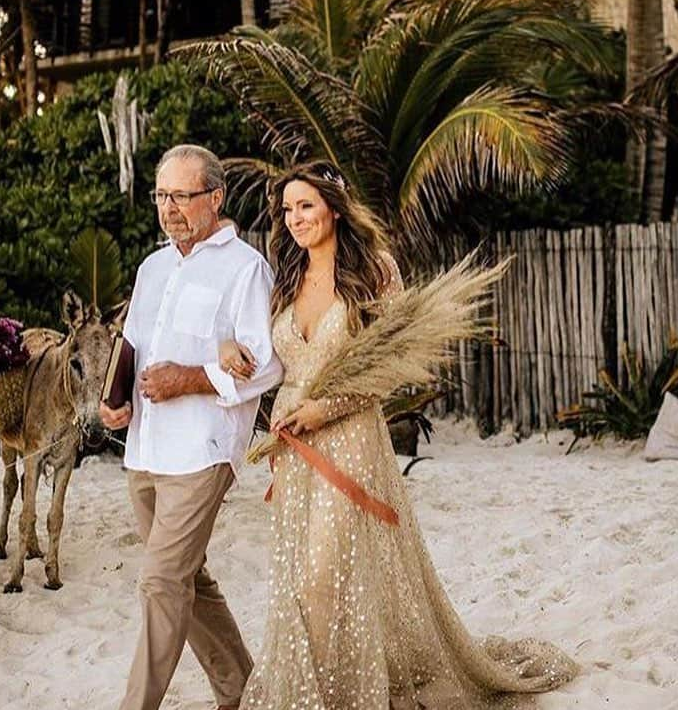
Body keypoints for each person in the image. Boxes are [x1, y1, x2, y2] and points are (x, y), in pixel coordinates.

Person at [222, 160, 578, 710]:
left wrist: (328, 406)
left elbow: (389, 368)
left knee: (323, 573)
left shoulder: (374, 271)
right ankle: (321, 686)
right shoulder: (285, 277)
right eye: (287, 208)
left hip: (350, 440)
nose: (294, 218)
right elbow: (258, 350)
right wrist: (228, 349)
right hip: (294, 443)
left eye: (306, 205)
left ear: (335, 208)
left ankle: (334, 697)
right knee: (303, 578)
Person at [100, 144, 282, 710]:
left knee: (159, 581)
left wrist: (191, 378)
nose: (169, 207)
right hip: (145, 448)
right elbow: (132, 344)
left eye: (182, 195)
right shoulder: (152, 267)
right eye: (162, 195)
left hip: (203, 452)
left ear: (215, 197)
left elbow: (266, 363)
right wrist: (115, 399)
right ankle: (242, 693)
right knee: (188, 581)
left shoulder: (246, 268)